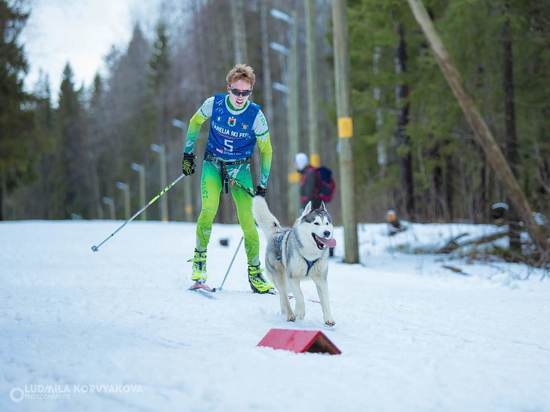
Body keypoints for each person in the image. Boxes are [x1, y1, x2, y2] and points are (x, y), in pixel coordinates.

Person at [181, 64, 274, 294]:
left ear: (251, 90)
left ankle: (255, 274)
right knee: (208, 210)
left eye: (246, 93)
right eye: (236, 92)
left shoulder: (256, 116)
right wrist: (188, 153)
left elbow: (267, 151)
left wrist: (263, 183)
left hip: (240, 170)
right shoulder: (215, 104)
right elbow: (194, 122)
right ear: (228, 88)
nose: (240, 97)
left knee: (249, 224)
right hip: (213, 164)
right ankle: (199, 264)